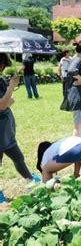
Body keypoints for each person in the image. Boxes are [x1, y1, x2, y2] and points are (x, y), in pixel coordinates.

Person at [0, 53, 39, 187]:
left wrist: (10, 89)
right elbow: (2, 105)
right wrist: (10, 87)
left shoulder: (0, 81)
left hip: (6, 130)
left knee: (18, 158)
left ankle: (29, 180)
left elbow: (9, 101)